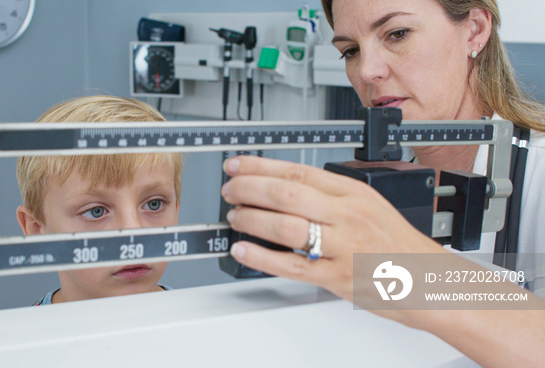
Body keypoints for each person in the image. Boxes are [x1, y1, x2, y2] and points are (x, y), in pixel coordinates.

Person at [220, 1, 545, 366]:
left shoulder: (537, 177)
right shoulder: (378, 192)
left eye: (397, 34)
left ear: (475, 30)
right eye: (351, 51)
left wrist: (417, 273)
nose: (367, 72)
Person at [15, 95, 182, 305]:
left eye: (153, 204)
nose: (133, 235)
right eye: (96, 211)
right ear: (37, 229)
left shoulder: (204, 329)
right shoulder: (26, 336)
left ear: (175, 212)